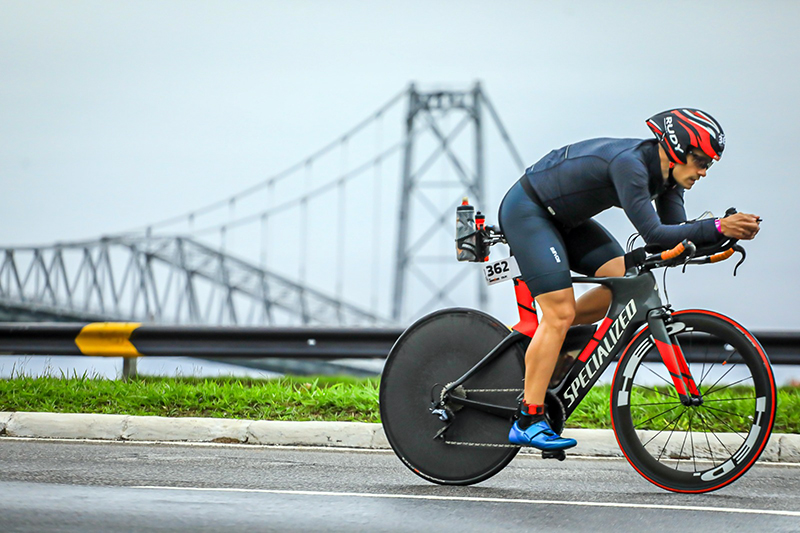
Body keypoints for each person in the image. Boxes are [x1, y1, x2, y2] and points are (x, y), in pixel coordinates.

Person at [498, 109, 761, 450]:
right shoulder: (631, 165)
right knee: (559, 313)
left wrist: (721, 238)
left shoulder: (669, 180)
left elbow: (669, 240)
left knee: (625, 282)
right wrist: (716, 227)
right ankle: (528, 419)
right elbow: (653, 231)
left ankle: (546, 339)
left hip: (567, 222)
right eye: (700, 160)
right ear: (677, 148)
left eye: (709, 163)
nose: (703, 172)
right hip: (529, 211)